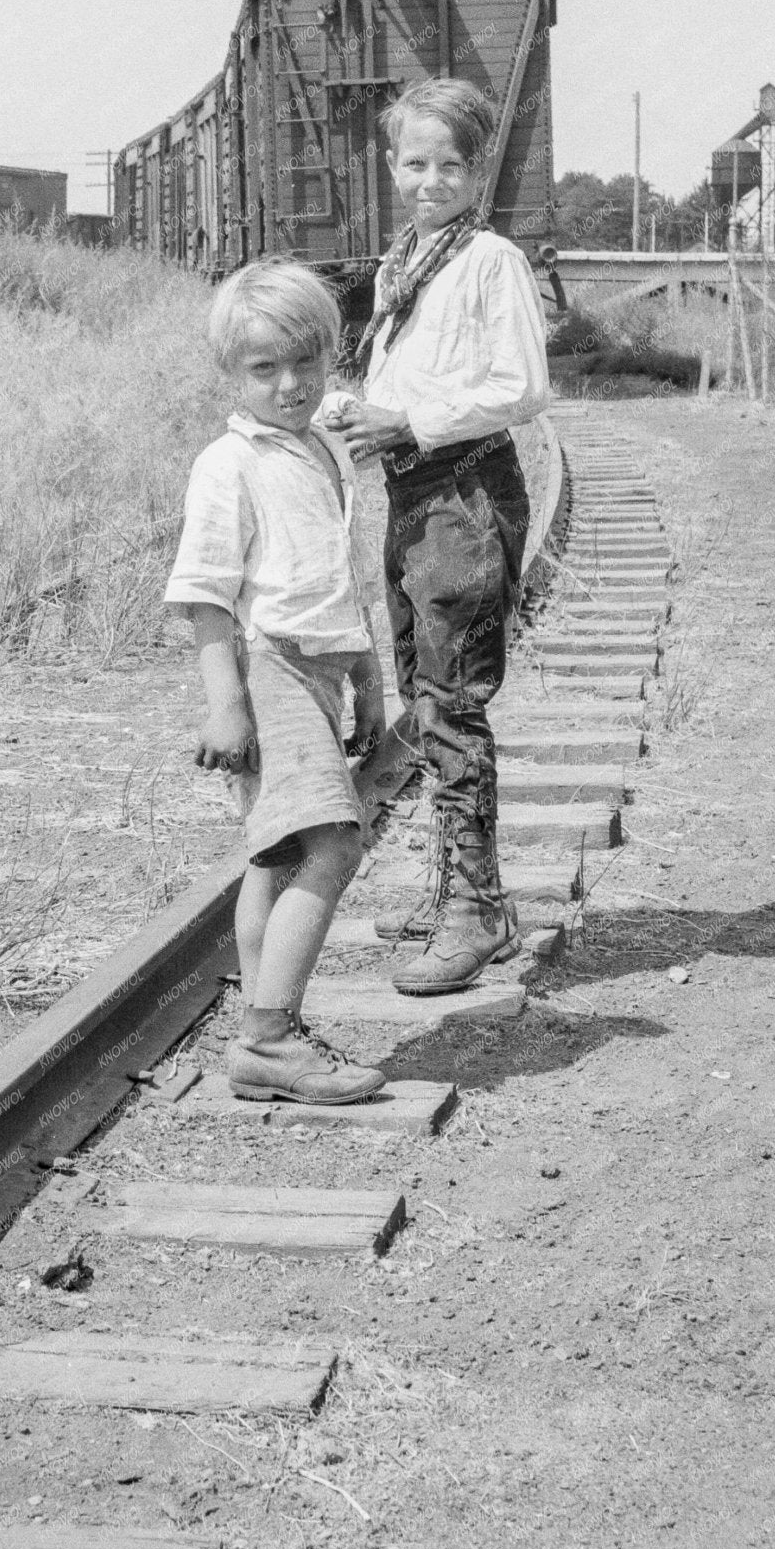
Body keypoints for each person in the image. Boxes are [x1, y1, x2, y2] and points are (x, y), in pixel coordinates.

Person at [325, 77, 553, 996]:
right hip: (413, 493)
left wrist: (409, 423)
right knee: (427, 695)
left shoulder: (489, 258)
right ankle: (458, 885)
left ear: (477, 170)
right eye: (414, 163)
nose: (430, 180)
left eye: (450, 165)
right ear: (392, 167)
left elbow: (522, 386)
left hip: (460, 490)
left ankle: (477, 909)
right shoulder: (408, 260)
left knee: (453, 702)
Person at [163, 260, 389, 1104]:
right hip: (273, 667)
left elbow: (335, 578)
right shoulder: (228, 465)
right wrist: (227, 704)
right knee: (333, 843)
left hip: (323, 667)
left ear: (331, 354)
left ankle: (262, 1030)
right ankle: (270, 1038)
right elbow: (206, 598)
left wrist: (367, 673)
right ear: (234, 373)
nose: (290, 385)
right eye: (266, 369)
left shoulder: (323, 448)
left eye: (307, 362)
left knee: (278, 855)